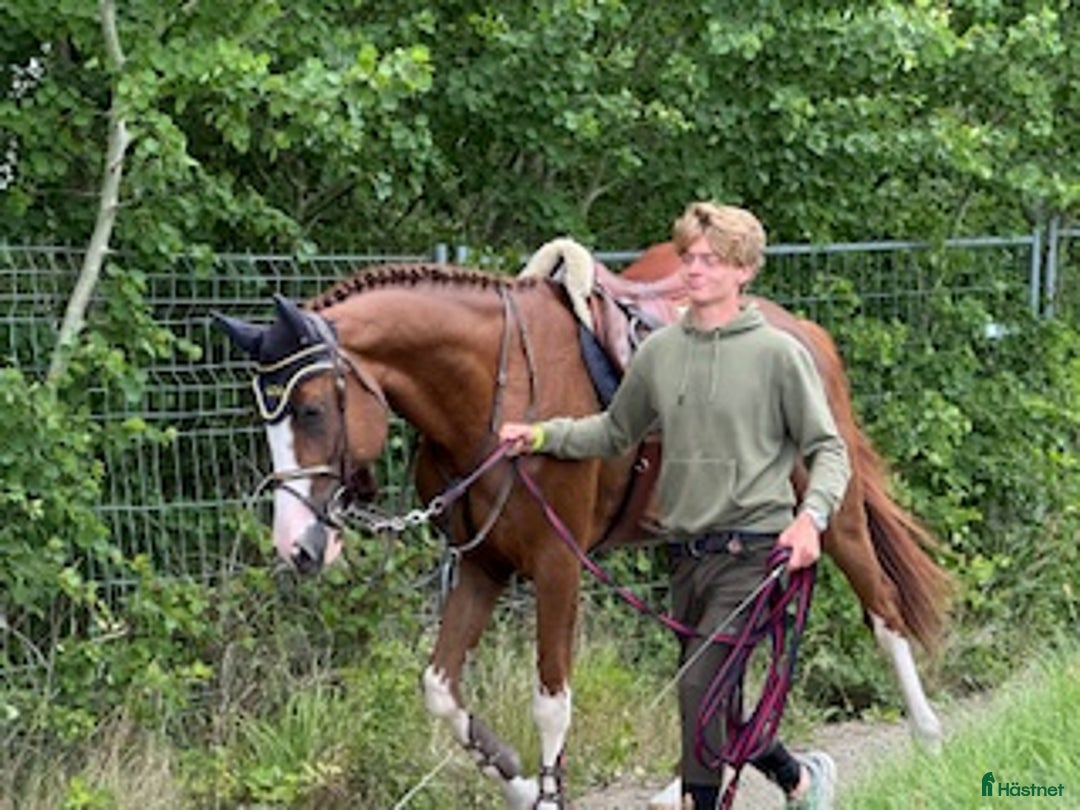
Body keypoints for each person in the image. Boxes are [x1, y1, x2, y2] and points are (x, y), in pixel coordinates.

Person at [499, 201, 850, 809]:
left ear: (744, 272)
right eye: (689, 258)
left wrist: (811, 519)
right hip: (685, 554)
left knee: (699, 688)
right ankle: (799, 778)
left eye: (711, 261)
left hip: (756, 550)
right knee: (717, 698)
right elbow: (612, 432)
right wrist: (539, 436)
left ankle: (702, 800)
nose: (693, 270)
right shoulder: (661, 354)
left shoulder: (777, 355)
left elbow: (829, 451)